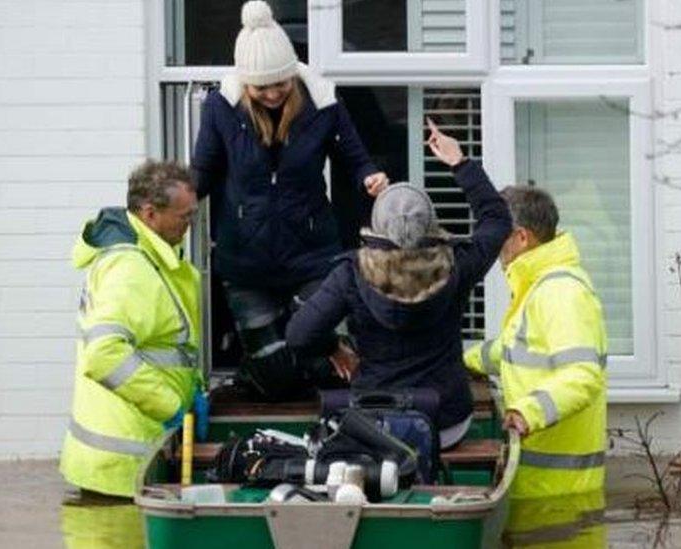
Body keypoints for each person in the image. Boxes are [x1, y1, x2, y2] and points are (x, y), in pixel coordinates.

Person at [191, 0, 389, 400]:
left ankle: (316, 371)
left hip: (312, 253)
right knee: (276, 381)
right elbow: (204, 169)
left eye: (280, 83)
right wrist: (179, 203)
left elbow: (355, 156)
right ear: (245, 84)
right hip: (246, 261)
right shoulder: (221, 109)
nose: (273, 93)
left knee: (323, 355)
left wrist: (369, 175)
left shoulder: (323, 105)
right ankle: (263, 370)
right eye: (261, 87)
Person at [285, 120, 513, 448]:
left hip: (375, 425)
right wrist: (460, 162)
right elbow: (497, 219)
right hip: (445, 424)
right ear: (430, 222)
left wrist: (333, 348)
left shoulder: (352, 272)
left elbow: (298, 335)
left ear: (377, 226)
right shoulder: (457, 264)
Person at [59, 160, 209, 498]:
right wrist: (171, 405)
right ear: (149, 213)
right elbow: (104, 355)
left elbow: (169, 344)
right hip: (120, 463)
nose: (190, 224)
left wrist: (193, 389)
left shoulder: (154, 259)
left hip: (131, 455)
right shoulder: (129, 269)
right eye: (184, 216)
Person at [463, 186, 607, 498]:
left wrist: (528, 412)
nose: (492, 245)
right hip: (539, 486)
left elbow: (582, 376)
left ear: (522, 237)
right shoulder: (538, 285)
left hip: (559, 493)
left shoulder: (561, 292)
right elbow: (513, 350)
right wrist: (463, 359)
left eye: (498, 233)